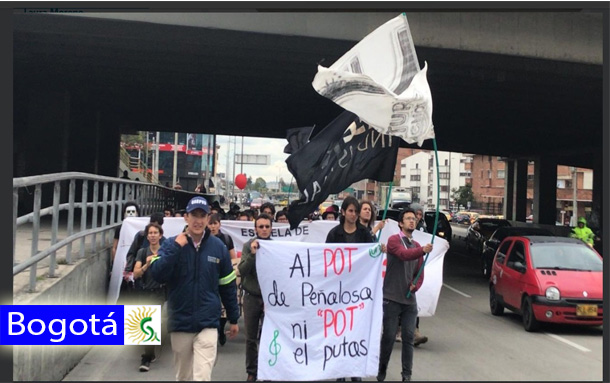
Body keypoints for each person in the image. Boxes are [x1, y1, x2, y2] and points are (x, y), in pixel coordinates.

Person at [150, 196, 240, 381]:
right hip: (180, 322)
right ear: (186, 218)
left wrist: (233, 318)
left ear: (208, 219)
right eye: (194, 215)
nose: (198, 220)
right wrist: (176, 248)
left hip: (208, 323)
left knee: (202, 377)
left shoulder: (219, 248)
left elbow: (228, 285)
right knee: (184, 377)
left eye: (202, 216)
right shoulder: (171, 244)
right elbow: (157, 274)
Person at [325, 197, 385, 382]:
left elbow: (371, 256)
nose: (353, 214)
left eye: (355, 211)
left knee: (356, 330)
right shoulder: (334, 234)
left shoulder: (364, 234)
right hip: (339, 291)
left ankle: (355, 371)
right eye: (350, 211)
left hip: (358, 292)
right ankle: (340, 372)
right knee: (340, 332)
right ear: (343, 212)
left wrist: (379, 250)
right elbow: (326, 260)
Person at [377, 208, 432, 382]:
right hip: (392, 298)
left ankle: (406, 375)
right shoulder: (394, 241)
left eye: (414, 219)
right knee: (389, 337)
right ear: (400, 223)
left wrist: (416, 285)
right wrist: (423, 250)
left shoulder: (416, 245)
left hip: (409, 301)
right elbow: (404, 255)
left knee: (408, 338)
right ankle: (382, 368)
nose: (411, 221)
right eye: (408, 219)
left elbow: (419, 272)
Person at [238, 213, 273, 382]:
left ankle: (268, 371)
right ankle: (252, 370)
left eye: (267, 226)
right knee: (251, 338)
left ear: (271, 228)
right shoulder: (247, 246)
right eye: (261, 227)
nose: (264, 229)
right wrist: (252, 254)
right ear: (255, 229)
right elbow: (242, 270)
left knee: (268, 338)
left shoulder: (276, 247)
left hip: (270, 299)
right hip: (251, 296)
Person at [133, 222, 166, 372]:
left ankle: (146, 358)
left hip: (159, 291)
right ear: (147, 236)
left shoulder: (165, 251)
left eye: (155, 233)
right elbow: (136, 273)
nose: (153, 235)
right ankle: (150, 353)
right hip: (145, 291)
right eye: (150, 233)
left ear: (160, 235)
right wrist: (146, 265)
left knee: (151, 322)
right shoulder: (142, 252)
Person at [207, 213, 238, 346]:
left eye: (215, 224)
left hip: (223, 277)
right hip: (210, 279)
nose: (213, 227)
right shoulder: (204, 240)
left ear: (219, 224)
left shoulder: (226, 239)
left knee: (224, 306)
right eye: (210, 223)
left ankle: (220, 328)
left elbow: (232, 258)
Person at [407, 203, 428, 346]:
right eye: (416, 215)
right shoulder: (403, 232)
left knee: (413, 303)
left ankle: (415, 332)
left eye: (420, 215)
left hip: (415, 266)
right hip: (404, 268)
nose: (418, 218)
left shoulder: (423, 228)